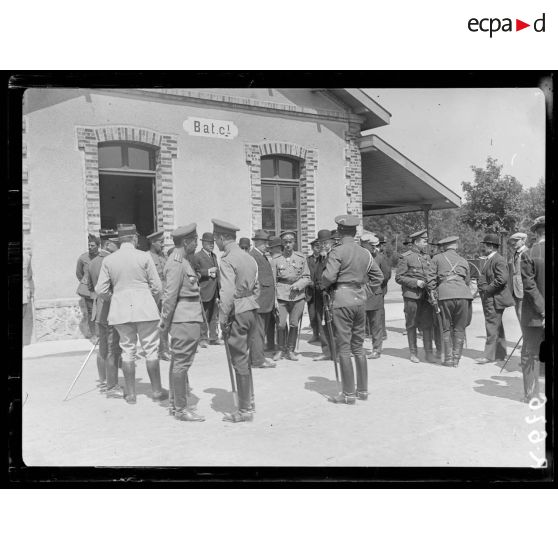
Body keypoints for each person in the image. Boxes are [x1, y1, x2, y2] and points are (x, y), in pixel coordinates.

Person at [95, 223, 167, 404]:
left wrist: (116, 297)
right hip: (146, 309)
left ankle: (131, 394)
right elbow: (158, 287)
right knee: (151, 350)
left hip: (121, 311)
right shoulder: (144, 256)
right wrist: (151, 301)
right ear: (134, 238)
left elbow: (100, 290)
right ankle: (157, 391)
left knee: (127, 350)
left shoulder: (109, 260)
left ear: (119, 240)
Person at [321, 216, 383, 404]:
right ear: (355, 233)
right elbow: (378, 277)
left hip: (341, 300)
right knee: (358, 346)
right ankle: (362, 391)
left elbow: (329, 277)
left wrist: (323, 285)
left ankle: (348, 394)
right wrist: (365, 291)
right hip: (359, 300)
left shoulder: (336, 251)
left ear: (339, 232)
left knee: (344, 347)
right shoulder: (365, 253)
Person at [212, 218, 260, 423]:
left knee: (238, 359)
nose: (216, 243)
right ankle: (249, 399)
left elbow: (227, 293)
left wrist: (223, 318)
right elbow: (257, 287)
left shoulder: (227, 259)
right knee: (245, 357)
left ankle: (244, 410)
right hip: (251, 309)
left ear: (223, 238)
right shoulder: (249, 257)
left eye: (216, 238)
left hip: (237, 312)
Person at [159, 223, 205, 422]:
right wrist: (164, 324)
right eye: (194, 240)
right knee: (181, 364)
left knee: (179, 362)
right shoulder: (177, 262)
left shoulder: (183, 261)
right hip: (184, 318)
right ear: (186, 242)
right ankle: (181, 408)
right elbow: (169, 296)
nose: (196, 243)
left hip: (187, 317)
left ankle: (175, 403)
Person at [85, 229, 123, 396]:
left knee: (102, 348)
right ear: (108, 243)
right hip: (110, 309)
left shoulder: (92, 262)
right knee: (112, 348)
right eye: (117, 243)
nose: (120, 246)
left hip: (98, 310)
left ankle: (103, 380)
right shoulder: (112, 261)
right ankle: (112, 386)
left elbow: (90, 288)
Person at [430, 236, 473, 367]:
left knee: (446, 327)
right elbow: (467, 281)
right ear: (456, 246)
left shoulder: (436, 258)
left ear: (443, 247)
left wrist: (433, 292)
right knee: (460, 328)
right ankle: (456, 359)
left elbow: (430, 279)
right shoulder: (464, 260)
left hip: (445, 295)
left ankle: (448, 359)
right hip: (463, 295)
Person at [395, 229, 437, 363]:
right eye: (424, 241)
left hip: (426, 296)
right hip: (411, 296)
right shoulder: (406, 257)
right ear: (416, 242)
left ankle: (429, 353)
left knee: (427, 324)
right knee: (411, 324)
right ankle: (413, 353)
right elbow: (399, 277)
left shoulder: (427, 257)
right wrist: (415, 282)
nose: (426, 244)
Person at [270, 230, 311, 361]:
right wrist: (274, 299)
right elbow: (273, 281)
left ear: (294, 242)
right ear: (282, 243)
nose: (288, 245)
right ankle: (280, 349)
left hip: (298, 295)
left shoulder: (301, 258)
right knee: (281, 324)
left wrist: (299, 285)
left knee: (294, 323)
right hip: (281, 295)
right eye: (285, 242)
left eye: (290, 242)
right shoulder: (276, 260)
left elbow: (306, 277)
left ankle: (291, 350)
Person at [475, 233, 515, 364]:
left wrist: (487, 289)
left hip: (494, 298)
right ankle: (500, 354)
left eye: (485, 245)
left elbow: (502, 279)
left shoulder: (498, 259)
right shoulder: (491, 258)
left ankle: (488, 356)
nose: (483, 248)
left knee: (491, 326)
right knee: (497, 325)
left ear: (491, 246)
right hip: (492, 298)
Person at [519, 216, 545, 403]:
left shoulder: (528, 254)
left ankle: (532, 394)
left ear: (536, 233)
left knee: (530, 353)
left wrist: (543, 311)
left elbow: (529, 287)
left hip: (535, 315)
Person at [248, 230, 276, 368]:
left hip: (265, 301)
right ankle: (258, 360)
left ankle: (257, 358)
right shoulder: (253, 256)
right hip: (260, 301)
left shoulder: (262, 256)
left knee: (260, 332)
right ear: (256, 242)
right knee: (258, 332)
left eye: (267, 243)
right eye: (264, 243)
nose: (267, 245)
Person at [310, 229, 336, 362]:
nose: (323, 246)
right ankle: (326, 352)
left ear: (331, 242)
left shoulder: (335, 256)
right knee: (322, 324)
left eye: (326, 243)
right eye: (320, 243)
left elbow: (334, 276)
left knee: (334, 324)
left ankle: (337, 353)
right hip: (319, 296)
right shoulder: (320, 257)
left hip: (331, 295)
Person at [192, 232, 221, 348]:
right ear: (202, 243)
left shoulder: (214, 256)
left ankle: (213, 338)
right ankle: (203, 339)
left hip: (214, 290)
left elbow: (218, 273)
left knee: (214, 315)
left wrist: (219, 292)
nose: (211, 245)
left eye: (212, 243)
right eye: (209, 243)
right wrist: (208, 272)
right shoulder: (197, 256)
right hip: (203, 289)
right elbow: (194, 273)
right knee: (204, 315)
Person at [360, 232, 386, 359]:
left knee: (376, 325)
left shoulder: (379, 258)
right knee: (359, 324)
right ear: (364, 245)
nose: (374, 248)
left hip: (374, 294)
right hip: (360, 295)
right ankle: (358, 349)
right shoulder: (357, 256)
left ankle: (376, 349)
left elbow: (385, 275)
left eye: (375, 246)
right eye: (372, 245)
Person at [147, 230, 171, 360]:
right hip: (153, 296)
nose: (163, 245)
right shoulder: (146, 257)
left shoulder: (165, 256)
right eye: (160, 242)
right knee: (154, 325)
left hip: (166, 295)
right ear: (152, 242)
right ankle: (157, 349)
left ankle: (164, 349)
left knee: (164, 323)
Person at [76, 234, 99, 340]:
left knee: (102, 311)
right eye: (89, 245)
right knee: (91, 312)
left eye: (92, 245)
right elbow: (79, 274)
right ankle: (94, 335)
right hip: (89, 291)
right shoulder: (83, 258)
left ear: (98, 246)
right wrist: (86, 284)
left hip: (101, 289)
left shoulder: (103, 257)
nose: (90, 247)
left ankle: (102, 334)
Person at [265, 236, 283, 353]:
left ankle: (282, 346)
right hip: (271, 295)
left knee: (280, 321)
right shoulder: (270, 260)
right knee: (271, 321)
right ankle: (271, 344)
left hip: (280, 295)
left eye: (271, 248)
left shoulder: (279, 260)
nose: (269, 250)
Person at [508, 231, 528, 322]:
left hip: (522, 287)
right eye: (513, 241)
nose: (513, 243)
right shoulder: (516, 253)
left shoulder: (526, 252)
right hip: (515, 287)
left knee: (522, 312)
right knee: (518, 312)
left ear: (523, 241)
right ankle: (524, 334)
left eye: (516, 240)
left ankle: (526, 334)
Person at [375, 233, 391, 340]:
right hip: (372, 287)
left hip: (379, 287)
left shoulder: (382, 256)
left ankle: (382, 332)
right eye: (382, 245)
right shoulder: (375, 255)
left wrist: (378, 282)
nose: (383, 247)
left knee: (379, 310)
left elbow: (387, 274)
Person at [306, 239, 321, 343]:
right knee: (312, 314)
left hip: (321, 291)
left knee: (321, 314)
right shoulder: (308, 260)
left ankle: (324, 334)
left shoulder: (324, 259)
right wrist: (308, 282)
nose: (318, 248)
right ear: (312, 248)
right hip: (310, 291)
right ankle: (315, 334)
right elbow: (304, 273)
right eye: (316, 246)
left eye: (319, 246)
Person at [22, 248, 35, 346]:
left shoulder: (26, 257)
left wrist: (31, 291)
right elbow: (29, 276)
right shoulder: (26, 256)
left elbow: (30, 276)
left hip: (24, 291)